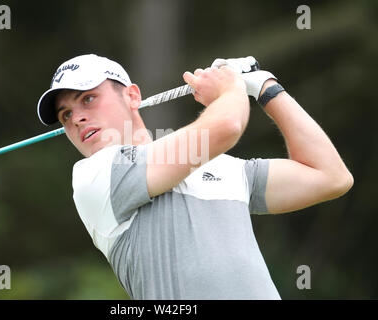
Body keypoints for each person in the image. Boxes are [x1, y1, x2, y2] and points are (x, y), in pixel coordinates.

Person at [36, 53, 353, 299]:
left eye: (88, 99)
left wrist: (266, 88)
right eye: (65, 115)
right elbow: (226, 127)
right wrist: (231, 88)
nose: (76, 117)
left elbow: (330, 176)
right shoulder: (96, 176)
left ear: (132, 96)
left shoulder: (223, 167)